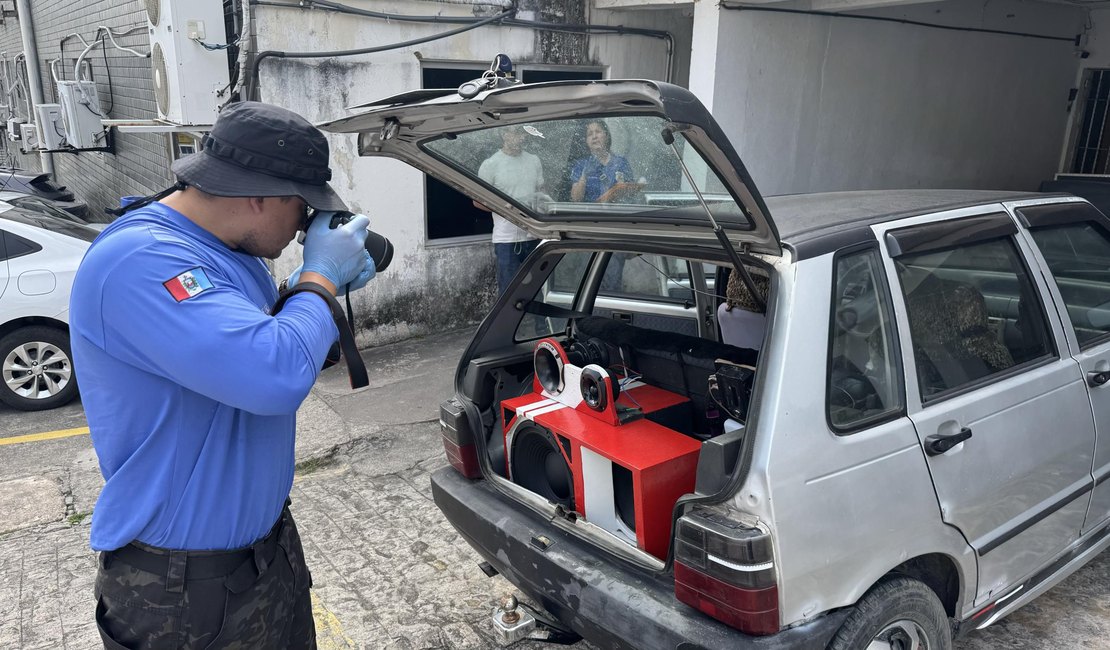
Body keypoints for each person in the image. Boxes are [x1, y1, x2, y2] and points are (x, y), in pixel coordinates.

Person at [69, 101, 377, 650]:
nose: (306, 225)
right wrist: (321, 279)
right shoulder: (142, 260)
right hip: (182, 587)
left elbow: (279, 349)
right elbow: (273, 375)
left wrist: (324, 293)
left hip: (267, 556)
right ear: (258, 195)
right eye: (302, 207)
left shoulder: (230, 254)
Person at [473, 124, 544, 294]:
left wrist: (539, 204)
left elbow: (541, 191)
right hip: (506, 239)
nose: (521, 137)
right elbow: (477, 201)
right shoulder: (491, 164)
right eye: (516, 133)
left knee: (537, 290)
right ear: (504, 134)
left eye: (523, 133)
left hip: (533, 234)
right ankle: (510, 321)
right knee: (509, 292)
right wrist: (503, 208)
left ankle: (538, 322)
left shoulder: (534, 160)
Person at [569, 119, 635, 203]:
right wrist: (584, 176)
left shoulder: (621, 162)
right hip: (589, 213)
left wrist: (620, 187)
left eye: (598, 132)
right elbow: (576, 199)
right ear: (586, 141)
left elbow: (631, 195)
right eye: (589, 134)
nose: (594, 137)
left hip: (617, 213)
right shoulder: (581, 165)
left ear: (606, 136)